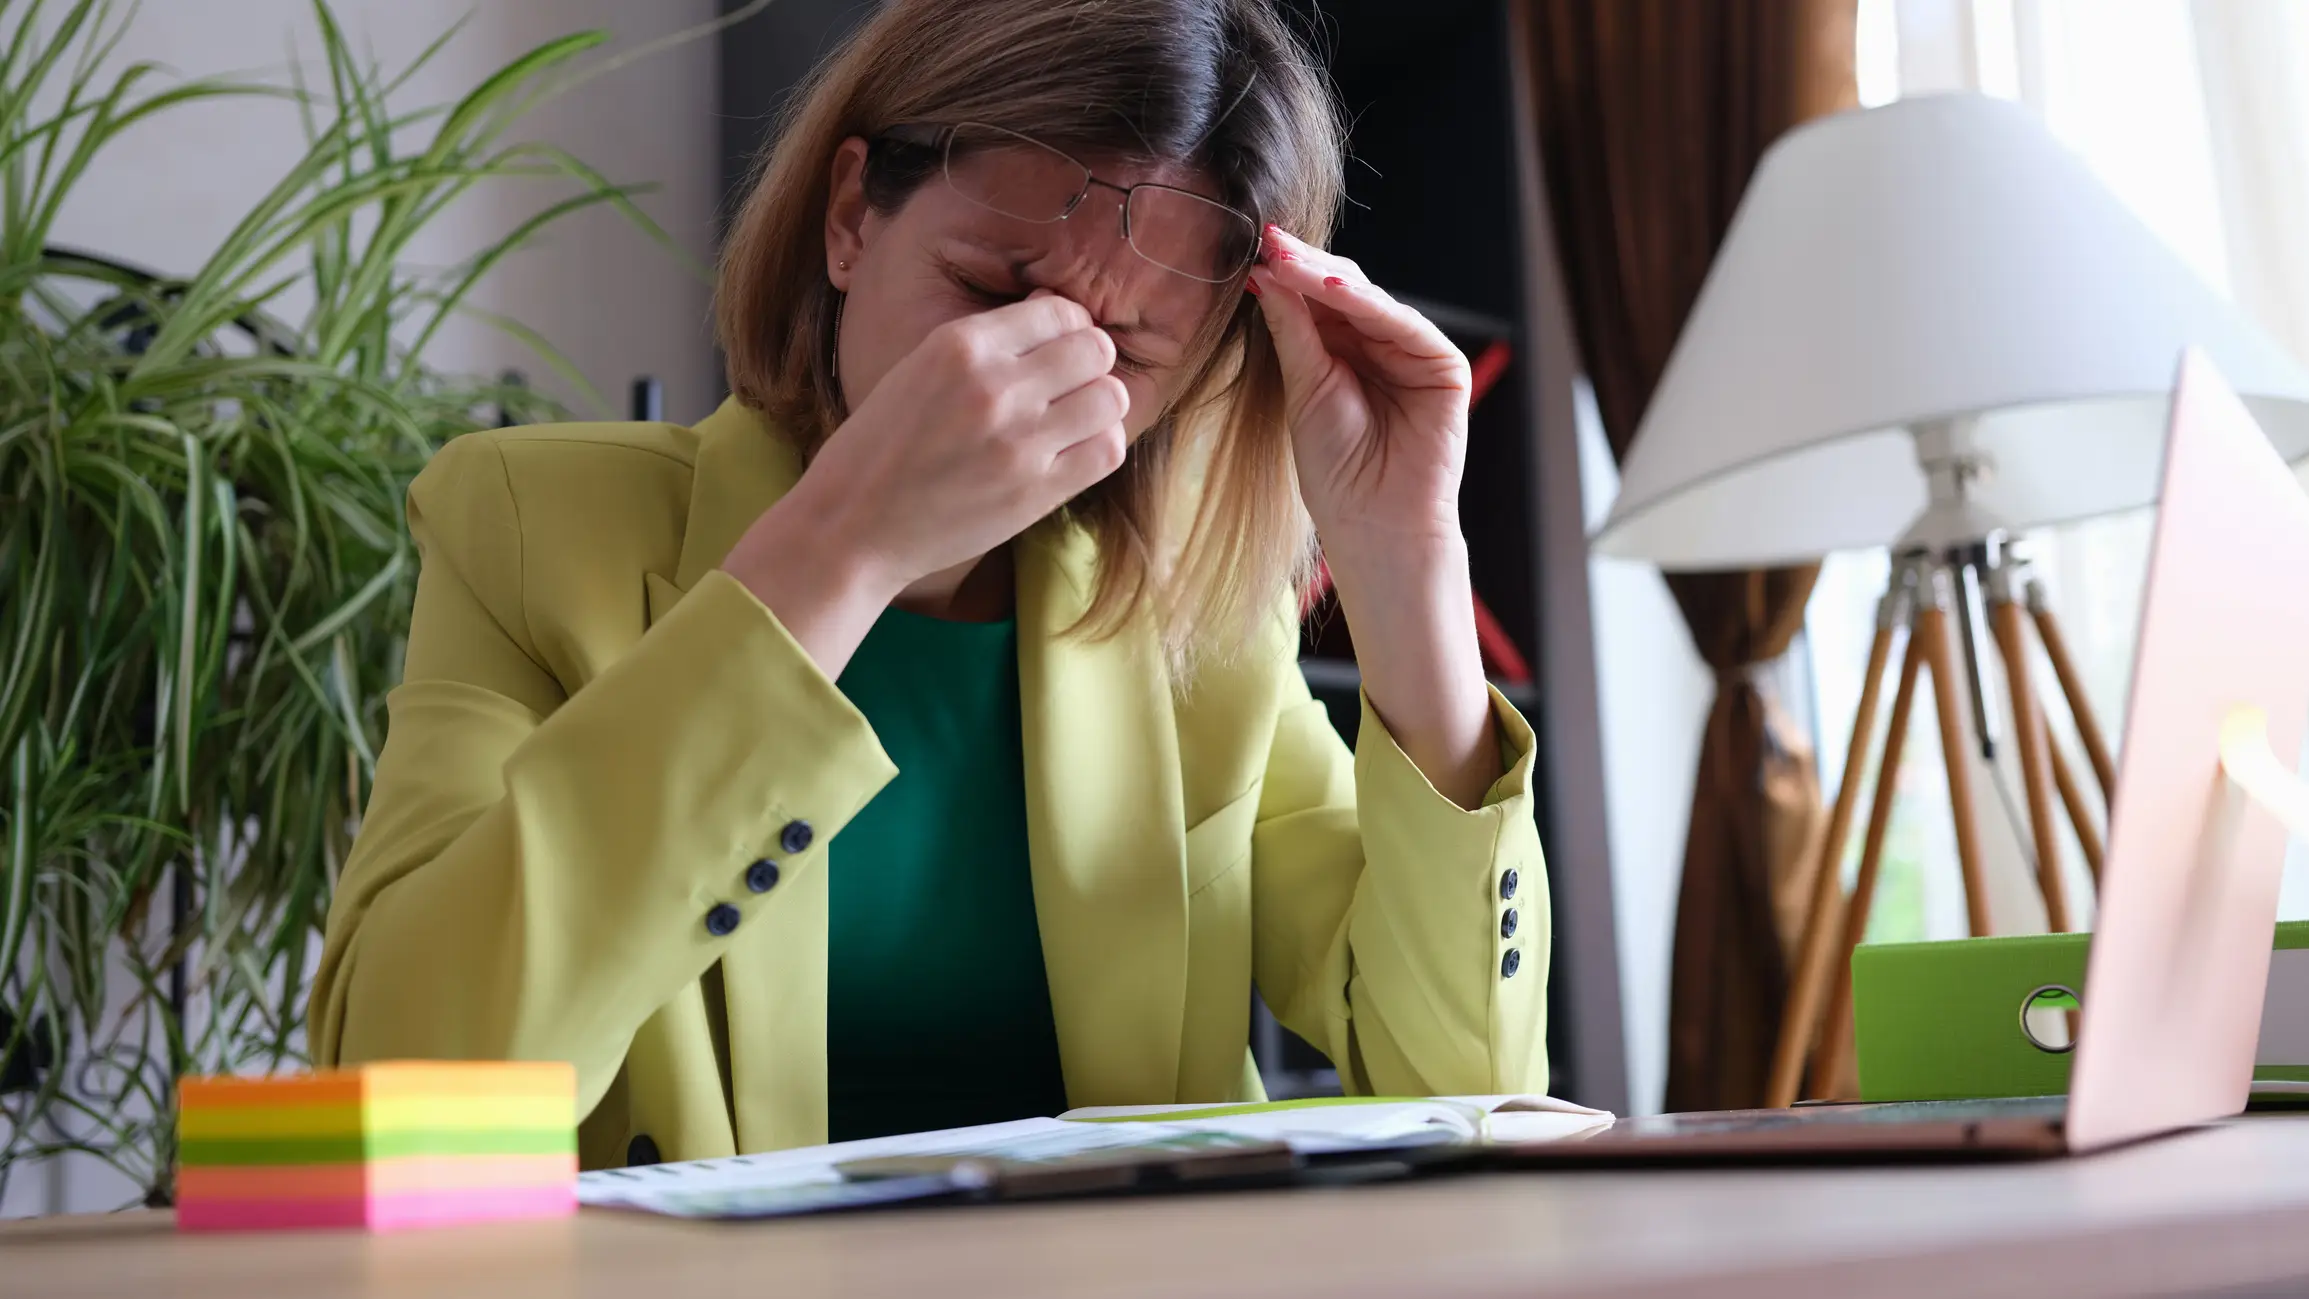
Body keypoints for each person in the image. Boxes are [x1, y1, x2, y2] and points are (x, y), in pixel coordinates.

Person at [311, 0, 1548, 1170]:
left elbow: (1464, 1090)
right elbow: (403, 1098)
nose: (1028, 375)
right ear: (851, 217)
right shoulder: (530, 528)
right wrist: (840, 550)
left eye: (1120, 351)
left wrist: (1407, 572)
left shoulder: (1198, 622)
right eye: (993, 294)